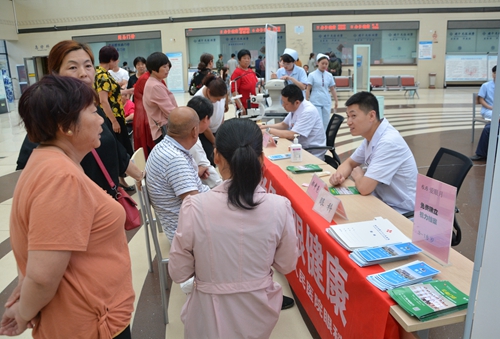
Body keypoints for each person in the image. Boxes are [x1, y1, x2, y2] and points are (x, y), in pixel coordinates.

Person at [0, 75, 135, 338]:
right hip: (90, 323)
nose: (101, 120)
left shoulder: (49, 161)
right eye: (94, 112)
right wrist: (23, 313)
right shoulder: (61, 178)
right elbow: (42, 275)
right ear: (66, 126)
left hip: (91, 317)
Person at [168, 119, 298, 339]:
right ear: (261, 158)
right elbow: (286, 264)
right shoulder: (279, 207)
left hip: (209, 313)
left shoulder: (195, 207)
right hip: (259, 312)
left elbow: (179, 272)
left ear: (216, 156)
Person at [16, 40, 143, 195]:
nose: (83, 73)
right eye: (73, 67)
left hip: (106, 199)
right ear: (56, 74)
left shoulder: (93, 108)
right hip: (77, 203)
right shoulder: (50, 114)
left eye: (88, 65)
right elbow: (28, 166)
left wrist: (141, 176)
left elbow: (114, 148)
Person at [329, 91, 417, 214]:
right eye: (348, 116)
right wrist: (338, 176)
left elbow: (365, 188)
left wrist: (359, 176)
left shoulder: (388, 142)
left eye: (353, 116)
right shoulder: (371, 137)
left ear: (371, 116)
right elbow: (349, 163)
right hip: (381, 201)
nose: (348, 122)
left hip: (401, 212)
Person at [145, 107, 210, 242]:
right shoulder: (175, 159)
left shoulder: (163, 147)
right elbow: (195, 205)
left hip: (181, 222)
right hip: (186, 233)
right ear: (194, 131)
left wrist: (193, 175)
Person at [260, 84, 326, 160]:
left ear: (297, 102)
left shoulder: (308, 111)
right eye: (282, 102)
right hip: (298, 148)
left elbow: (293, 135)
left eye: (286, 103)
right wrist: (265, 127)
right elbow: (284, 124)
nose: (283, 105)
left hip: (311, 153)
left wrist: (268, 130)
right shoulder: (295, 108)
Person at [94, 45, 134, 160]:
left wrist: (128, 91)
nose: (117, 62)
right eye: (116, 60)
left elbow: (111, 94)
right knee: (121, 149)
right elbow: (103, 100)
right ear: (111, 60)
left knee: (121, 148)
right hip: (112, 116)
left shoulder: (101, 74)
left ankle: (122, 177)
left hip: (113, 115)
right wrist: (114, 121)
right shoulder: (103, 77)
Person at [186, 96, 222, 188]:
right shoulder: (193, 141)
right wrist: (222, 185)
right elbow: (208, 171)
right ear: (206, 118)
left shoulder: (183, 132)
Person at [143, 52, 177, 144]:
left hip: (161, 130)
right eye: (164, 67)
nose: (168, 69)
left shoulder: (154, 82)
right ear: (154, 69)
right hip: (163, 132)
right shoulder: (155, 86)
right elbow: (170, 111)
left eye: (168, 66)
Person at [195, 73, 228, 166]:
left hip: (217, 129)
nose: (219, 101)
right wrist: (214, 142)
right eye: (217, 99)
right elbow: (204, 127)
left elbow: (222, 110)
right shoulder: (199, 100)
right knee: (211, 159)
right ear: (209, 92)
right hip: (205, 133)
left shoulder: (220, 91)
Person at [306, 53, 339, 130]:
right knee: (318, 122)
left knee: (326, 123)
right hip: (315, 101)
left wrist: (336, 101)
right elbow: (308, 89)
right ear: (317, 63)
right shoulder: (312, 75)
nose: (324, 65)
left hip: (326, 101)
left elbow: (332, 89)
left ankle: (324, 140)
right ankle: (318, 139)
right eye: (322, 63)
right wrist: (306, 100)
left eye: (326, 64)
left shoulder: (329, 75)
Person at [471, 65, 496, 161]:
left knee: (489, 127)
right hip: (489, 110)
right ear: (493, 74)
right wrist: (491, 107)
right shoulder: (486, 86)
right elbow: (481, 99)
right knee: (492, 123)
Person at [230, 49, 259, 116]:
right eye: (244, 58)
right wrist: (241, 107)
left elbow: (256, 85)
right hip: (245, 107)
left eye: (248, 58)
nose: (247, 60)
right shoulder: (237, 73)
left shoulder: (251, 71)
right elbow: (234, 91)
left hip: (254, 105)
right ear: (239, 60)